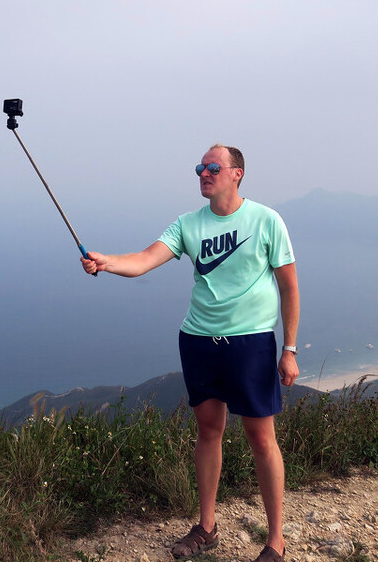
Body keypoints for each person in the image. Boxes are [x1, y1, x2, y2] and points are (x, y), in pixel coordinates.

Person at [81, 143, 299, 562]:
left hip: (251, 342)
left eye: (213, 167)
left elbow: (289, 287)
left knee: (261, 437)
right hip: (198, 340)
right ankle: (207, 526)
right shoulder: (188, 224)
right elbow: (145, 260)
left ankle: (275, 540)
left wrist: (288, 348)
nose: (204, 172)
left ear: (237, 173)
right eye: (200, 167)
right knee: (208, 431)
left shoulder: (266, 220)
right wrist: (107, 262)